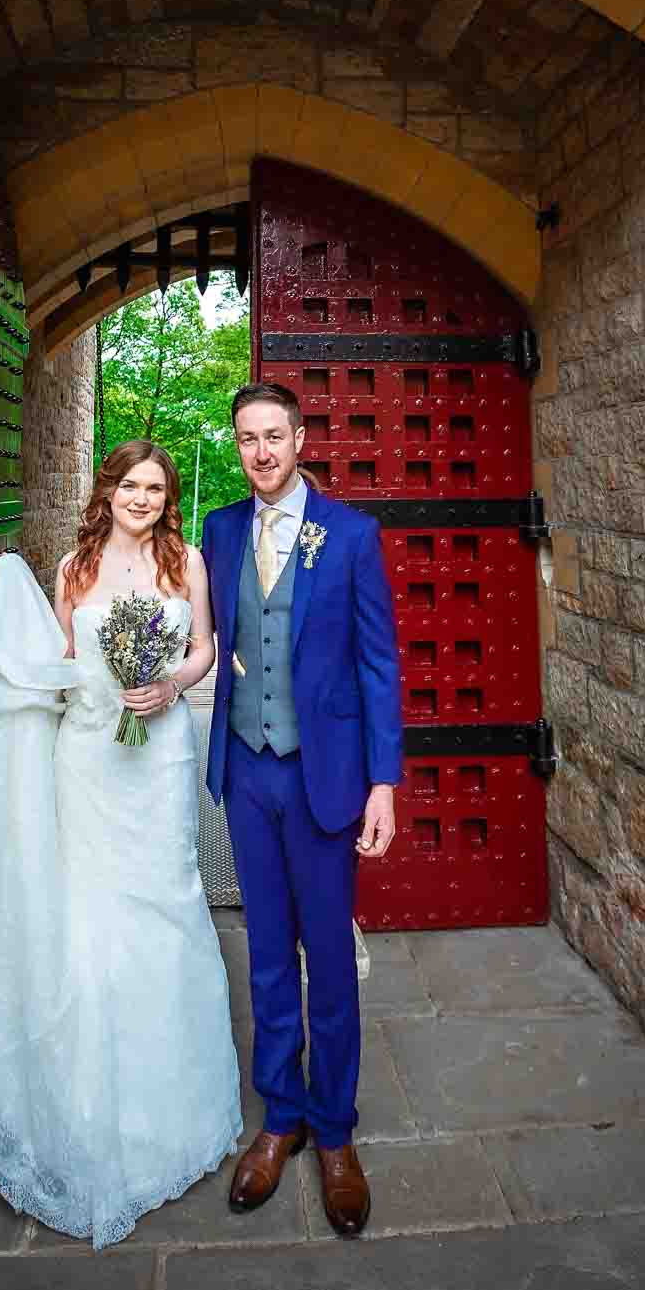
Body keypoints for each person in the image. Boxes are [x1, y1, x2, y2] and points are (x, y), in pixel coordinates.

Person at [0, 441, 241, 1248]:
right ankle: (84, 1106)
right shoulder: (74, 566)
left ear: (168, 500)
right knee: (89, 914)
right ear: (110, 490)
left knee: (166, 906)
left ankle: (166, 1107)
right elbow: (63, 661)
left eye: (155, 488)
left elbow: (203, 645)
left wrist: (170, 682)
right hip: (89, 758)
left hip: (160, 755)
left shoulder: (186, 562)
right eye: (130, 485)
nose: (142, 498)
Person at [201, 382, 403, 1235]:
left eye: (273, 435)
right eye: (246, 437)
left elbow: (378, 665)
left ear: (301, 439)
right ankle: (279, 1118)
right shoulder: (217, 529)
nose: (260, 451)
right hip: (249, 772)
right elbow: (204, 638)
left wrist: (383, 783)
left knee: (327, 957)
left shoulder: (352, 536)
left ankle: (335, 1132)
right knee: (267, 957)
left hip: (325, 775)